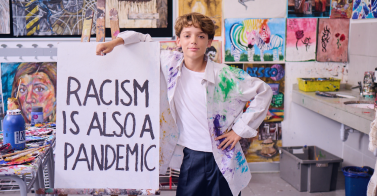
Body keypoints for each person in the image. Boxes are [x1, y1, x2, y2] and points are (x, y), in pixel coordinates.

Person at [96, 12, 272, 196]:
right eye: (187, 35)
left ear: (209, 42)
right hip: (191, 156)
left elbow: (264, 91)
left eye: (201, 36)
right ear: (178, 41)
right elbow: (141, 39)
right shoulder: (169, 63)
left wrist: (239, 130)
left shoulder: (226, 75)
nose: (193, 41)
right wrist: (113, 43)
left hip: (223, 157)